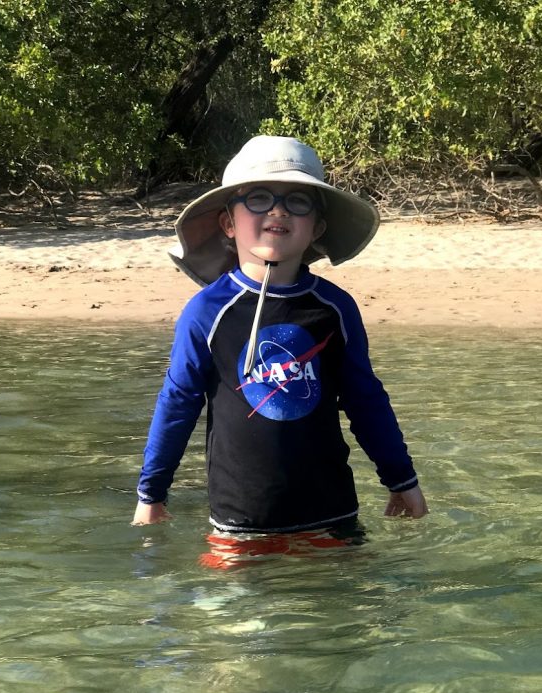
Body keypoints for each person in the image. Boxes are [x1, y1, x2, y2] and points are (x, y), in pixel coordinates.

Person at [131, 135, 428, 539]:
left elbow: (365, 399)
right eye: (258, 198)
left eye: (298, 201)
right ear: (228, 223)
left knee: (352, 601)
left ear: (317, 228)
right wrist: (152, 493)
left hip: (331, 515)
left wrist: (402, 479)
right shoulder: (207, 311)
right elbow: (178, 402)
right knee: (223, 604)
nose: (277, 209)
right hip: (239, 521)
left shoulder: (334, 308)